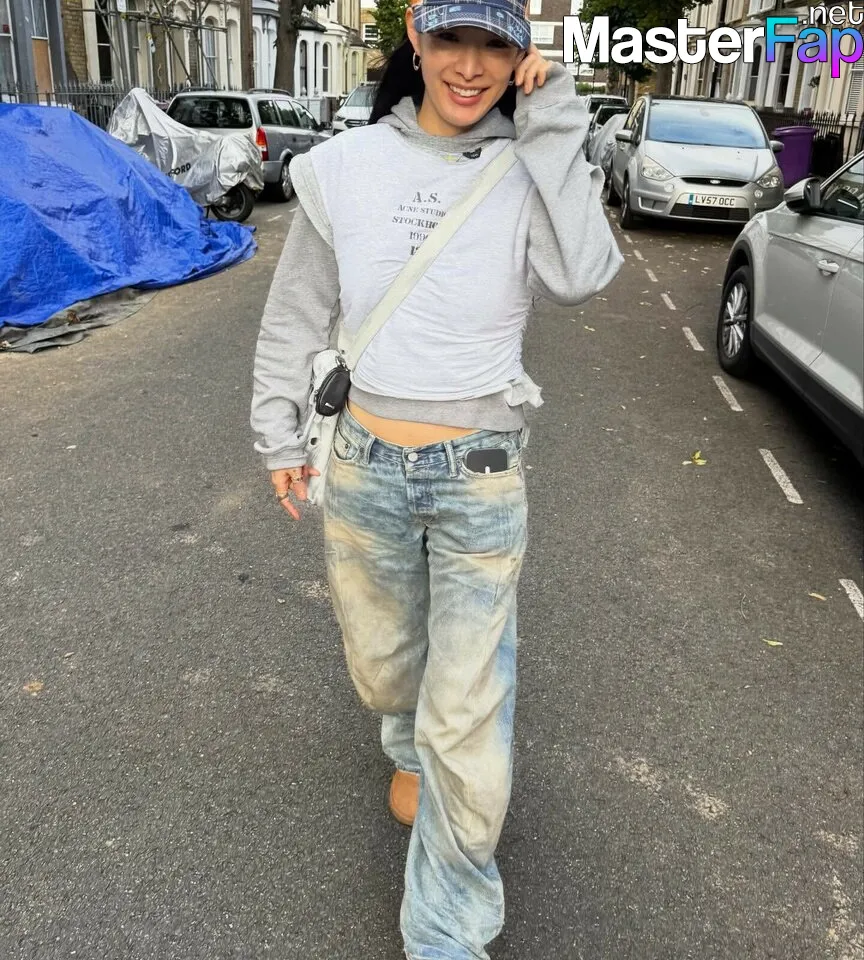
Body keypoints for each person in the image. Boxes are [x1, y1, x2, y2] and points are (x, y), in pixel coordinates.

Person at [250, 0, 623, 954]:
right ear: (415, 39)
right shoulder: (344, 167)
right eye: (452, 38)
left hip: (479, 473)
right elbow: (297, 313)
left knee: (467, 711)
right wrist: (280, 438)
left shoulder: (528, 162)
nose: (469, 66)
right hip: (363, 464)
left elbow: (583, 273)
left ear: (520, 56)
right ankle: (403, 739)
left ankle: (446, 930)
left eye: (495, 45)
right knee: (385, 667)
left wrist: (554, 118)